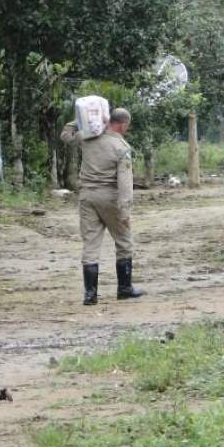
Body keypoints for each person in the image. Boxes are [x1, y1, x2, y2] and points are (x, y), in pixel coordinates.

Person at [60, 108, 144, 305]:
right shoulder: (121, 147)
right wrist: (125, 211)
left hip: (87, 196)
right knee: (124, 242)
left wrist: (83, 119)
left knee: (90, 244)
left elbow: (65, 135)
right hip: (110, 198)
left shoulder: (88, 137)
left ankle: (90, 295)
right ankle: (124, 288)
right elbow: (125, 183)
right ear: (123, 125)